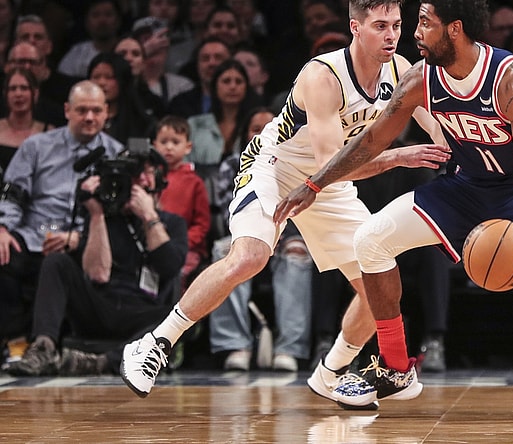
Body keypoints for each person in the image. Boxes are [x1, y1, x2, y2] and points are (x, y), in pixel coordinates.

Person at [273, 0, 513, 421]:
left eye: (424, 23)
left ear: (454, 29)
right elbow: (370, 142)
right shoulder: (420, 78)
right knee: (370, 239)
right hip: (464, 188)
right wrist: (315, 182)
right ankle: (394, 367)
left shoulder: (509, 78)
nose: (415, 34)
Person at [120, 0, 449, 401]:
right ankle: (154, 342)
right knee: (249, 257)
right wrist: (398, 156)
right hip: (275, 168)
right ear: (355, 28)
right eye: (380, 25)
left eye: (396, 25)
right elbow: (332, 166)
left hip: (329, 182)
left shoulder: (400, 70)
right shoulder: (324, 75)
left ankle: (330, 374)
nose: (392, 35)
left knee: (377, 284)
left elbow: (439, 125)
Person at [5, 147, 187, 376]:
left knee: (181, 314)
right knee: (56, 262)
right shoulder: (104, 218)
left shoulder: (174, 224)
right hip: (99, 306)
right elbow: (98, 274)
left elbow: (169, 266)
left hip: (143, 315)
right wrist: (97, 214)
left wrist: (149, 216)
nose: (140, 180)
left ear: (157, 181)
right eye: (135, 174)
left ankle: (100, 363)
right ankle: (43, 347)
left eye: (146, 173)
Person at [0, 81, 124, 359]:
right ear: (67, 110)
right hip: (32, 234)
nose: (89, 118)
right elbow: (13, 193)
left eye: (95, 111)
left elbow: (116, 215)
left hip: (82, 240)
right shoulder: (36, 146)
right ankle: (16, 340)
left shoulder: (117, 155)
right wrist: (2, 228)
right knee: (2, 252)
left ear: (106, 113)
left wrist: (79, 236)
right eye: (82, 110)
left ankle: (59, 344)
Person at [209, 106, 313, 372]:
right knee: (223, 250)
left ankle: (289, 348)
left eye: (270, 127)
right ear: (245, 134)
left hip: (287, 235)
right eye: (256, 128)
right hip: (245, 233)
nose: (264, 133)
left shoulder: (299, 163)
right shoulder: (232, 165)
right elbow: (227, 208)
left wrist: (278, 236)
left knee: (298, 252)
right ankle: (235, 345)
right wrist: (261, 235)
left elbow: (305, 211)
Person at [151, 115, 211, 289]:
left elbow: (202, 224)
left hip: (186, 248)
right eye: (164, 142)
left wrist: (181, 242)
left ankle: (181, 315)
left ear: (188, 147)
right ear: (154, 145)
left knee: (178, 274)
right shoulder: (148, 178)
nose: (169, 147)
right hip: (153, 242)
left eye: (175, 142)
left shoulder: (195, 182)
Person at [87, 52, 157, 144]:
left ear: (123, 81)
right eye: (96, 77)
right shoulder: (78, 120)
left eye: (109, 77)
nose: (101, 83)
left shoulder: (142, 125)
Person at [0, 68, 53, 174]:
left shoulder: (49, 133)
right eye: (13, 89)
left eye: (24, 88)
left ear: (35, 93)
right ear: (5, 94)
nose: (18, 94)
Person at [57, 0, 123, 79]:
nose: (102, 20)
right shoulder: (76, 54)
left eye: (108, 14)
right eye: (95, 15)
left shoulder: (129, 50)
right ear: (87, 23)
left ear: (118, 21)